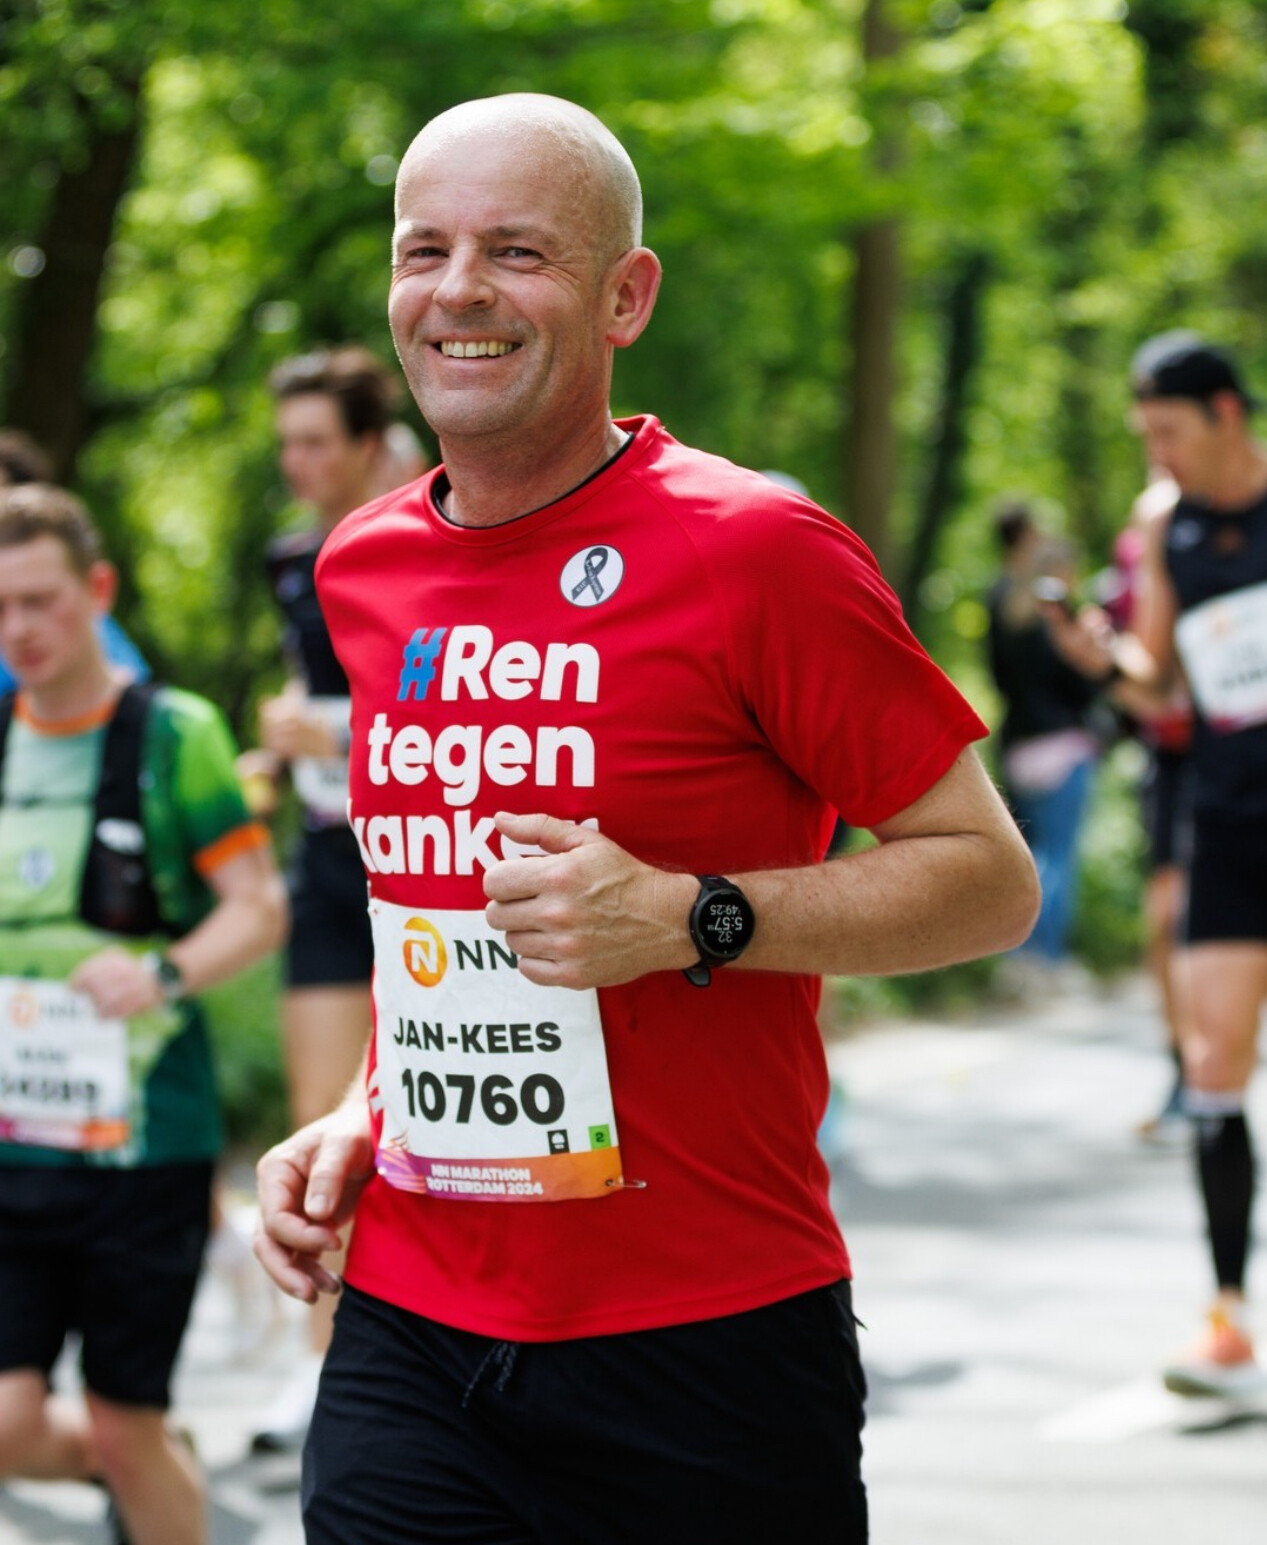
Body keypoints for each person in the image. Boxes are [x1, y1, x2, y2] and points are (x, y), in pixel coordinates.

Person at [254, 93, 1039, 1543]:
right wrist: (364, 1111)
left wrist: (692, 916)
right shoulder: (361, 567)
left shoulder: (756, 551)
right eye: (424, 250)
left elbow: (987, 879)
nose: (459, 289)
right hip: (412, 1324)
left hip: (704, 1338)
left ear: (626, 296)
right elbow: (440, 915)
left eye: (517, 252)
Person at [0, 483, 288, 1543]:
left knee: (128, 1423)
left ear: (97, 590)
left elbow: (257, 908)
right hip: (13, 1143)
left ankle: (150, 1472)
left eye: (40, 600)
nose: (19, 629)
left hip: (144, 1146)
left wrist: (161, 974)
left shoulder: (174, 733)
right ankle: (150, 1470)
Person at [1046, 331, 1267, 1396]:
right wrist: (1099, 660)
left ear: (1226, 412)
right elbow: (1161, 683)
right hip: (1225, 818)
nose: (1158, 454)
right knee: (1213, 1063)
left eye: (1169, 431)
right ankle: (1226, 1322)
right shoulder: (1160, 519)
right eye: (1145, 435)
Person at [241, 345, 424, 1453]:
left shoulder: (422, 545)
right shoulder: (288, 558)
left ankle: (399, 1352)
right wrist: (279, 749)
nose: (298, 463)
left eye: (317, 442)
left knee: (408, 1113)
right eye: (287, 444)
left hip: (412, 860)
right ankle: (318, 1366)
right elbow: (311, 687)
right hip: (322, 853)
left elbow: (437, 704)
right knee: (318, 1110)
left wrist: (342, 735)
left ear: (365, 445)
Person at [985, 503, 1105, 976]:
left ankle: (1014, 954)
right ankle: (1045, 957)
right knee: (1058, 857)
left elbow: (998, 679)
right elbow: (1083, 684)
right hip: (1063, 745)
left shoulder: (1000, 606)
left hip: (1018, 747)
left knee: (1030, 855)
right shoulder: (1057, 619)